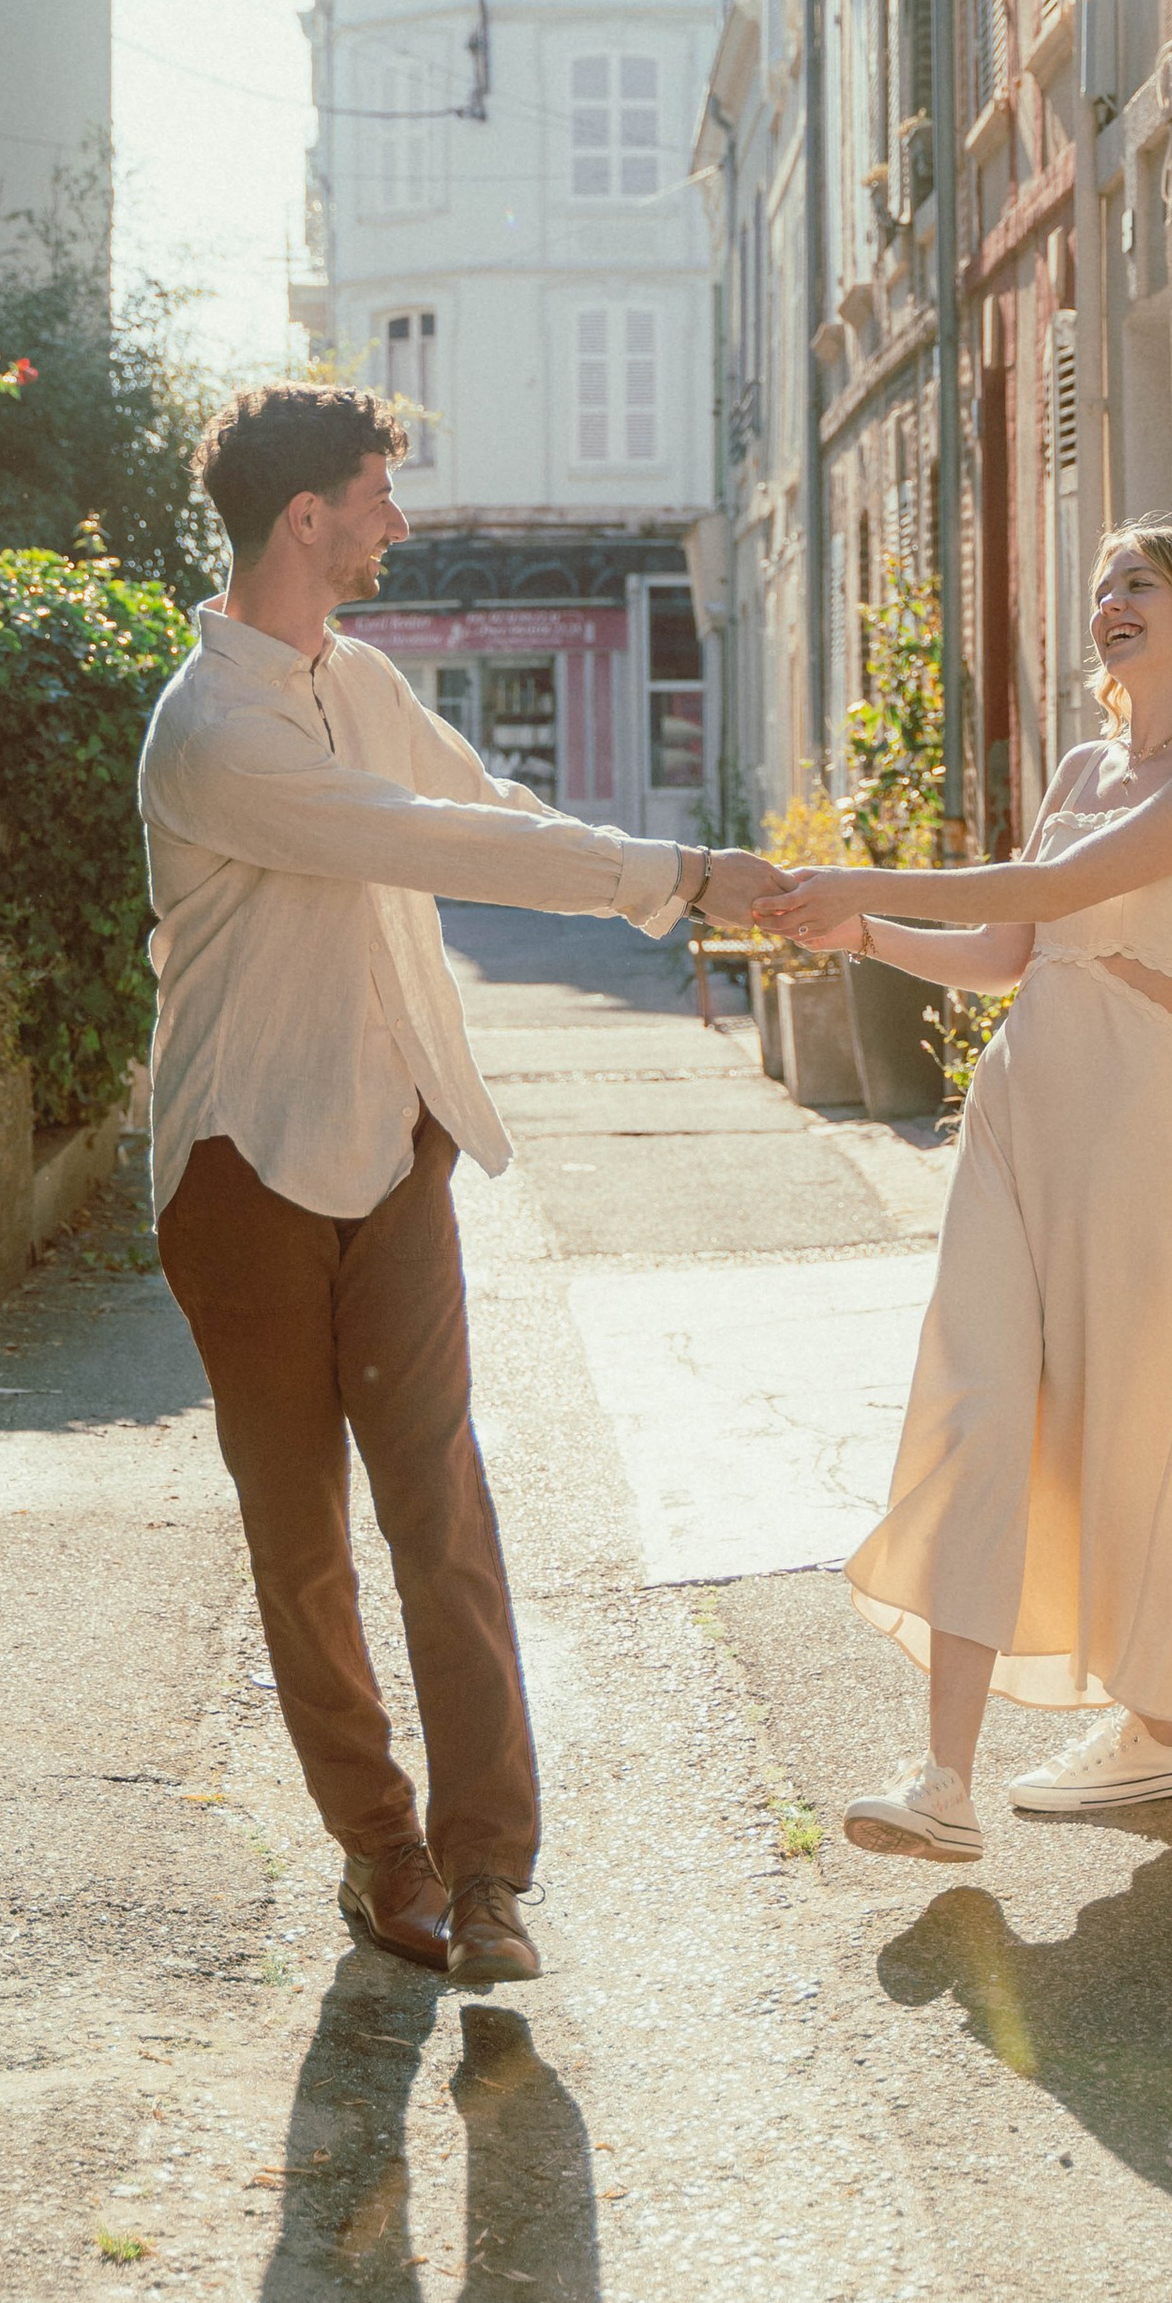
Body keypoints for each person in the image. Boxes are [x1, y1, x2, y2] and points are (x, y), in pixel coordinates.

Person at [138, 384, 783, 1984]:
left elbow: (493, 817)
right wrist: (682, 874)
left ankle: (492, 1876)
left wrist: (669, 892)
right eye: (377, 495)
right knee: (300, 1540)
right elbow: (433, 846)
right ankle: (382, 1853)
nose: (396, 525)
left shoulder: (355, 679)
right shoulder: (216, 730)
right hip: (244, 1171)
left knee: (446, 1510)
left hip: (393, 1149)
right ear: (309, 519)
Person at [760, 523, 1172, 1851]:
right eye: (1102, 587)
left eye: (1138, 583)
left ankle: (1156, 1727)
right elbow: (1010, 949)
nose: (1110, 603)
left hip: (1128, 1128)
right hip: (1020, 1109)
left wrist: (863, 873)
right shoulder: (1085, 763)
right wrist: (866, 933)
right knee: (974, 1413)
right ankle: (945, 1784)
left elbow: (1060, 884)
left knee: (1121, 1428)